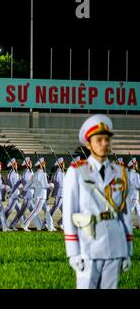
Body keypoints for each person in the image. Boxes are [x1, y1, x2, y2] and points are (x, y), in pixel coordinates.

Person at [63, 114, 133, 289]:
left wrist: (127, 249)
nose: (104, 144)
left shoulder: (121, 172)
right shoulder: (77, 172)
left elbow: (125, 214)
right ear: (88, 144)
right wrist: (73, 252)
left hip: (115, 244)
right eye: (99, 139)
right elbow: (69, 214)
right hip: (88, 244)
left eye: (107, 139)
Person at [21, 157, 56, 231]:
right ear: (41, 165)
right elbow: (45, 185)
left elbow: (28, 184)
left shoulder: (35, 174)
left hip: (39, 195)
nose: (44, 165)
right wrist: (51, 185)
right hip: (41, 195)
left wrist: (26, 189)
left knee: (47, 210)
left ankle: (50, 226)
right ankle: (25, 224)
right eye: (43, 164)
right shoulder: (43, 174)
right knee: (35, 211)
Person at [49, 157, 65, 229]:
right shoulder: (58, 172)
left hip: (63, 193)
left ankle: (60, 222)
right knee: (55, 208)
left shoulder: (62, 172)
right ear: (60, 164)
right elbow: (56, 183)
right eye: (63, 163)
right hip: (59, 193)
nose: (64, 164)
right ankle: (46, 222)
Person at [127, 157, 140, 228]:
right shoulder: (136, 175)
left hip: (131, 196)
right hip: (134, 197)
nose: (137, 165)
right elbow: (138, 186)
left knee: (138, 210)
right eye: (136, 164)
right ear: (134, 165)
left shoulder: (128, 173)